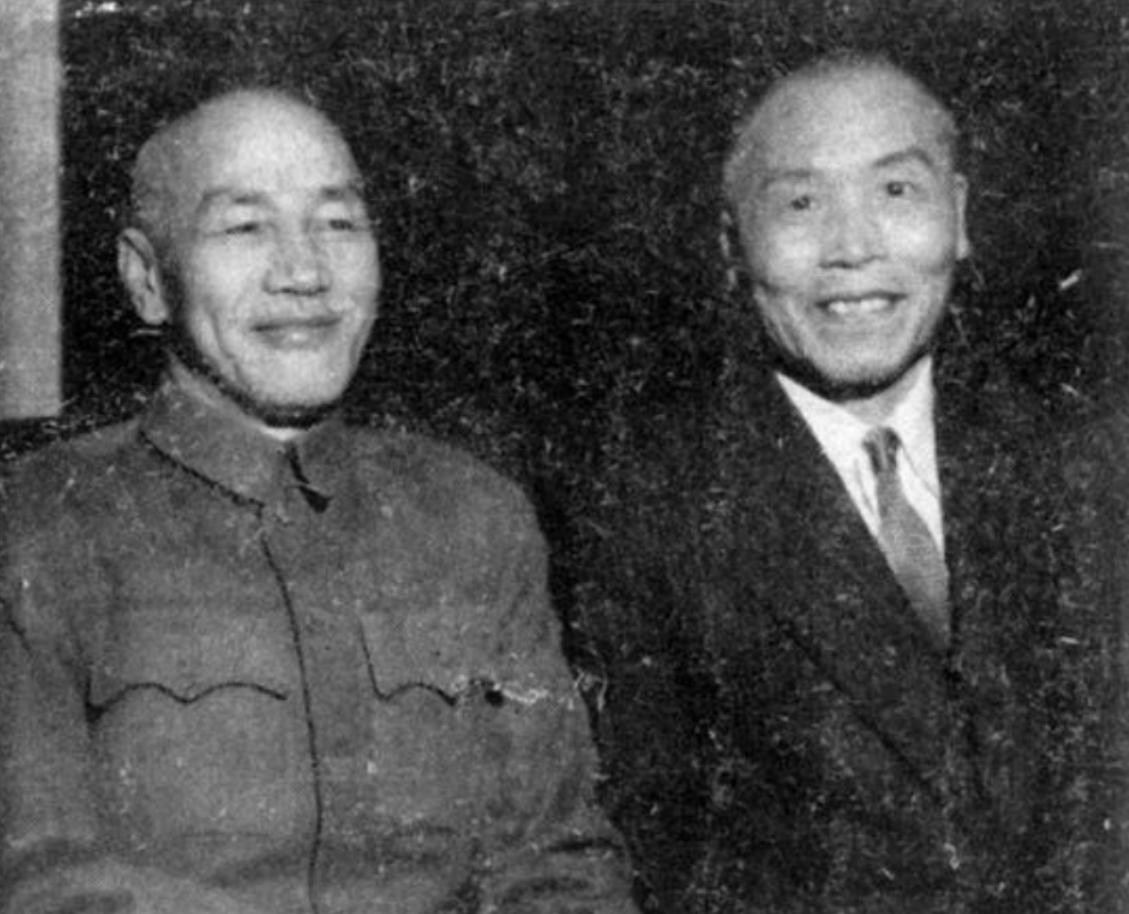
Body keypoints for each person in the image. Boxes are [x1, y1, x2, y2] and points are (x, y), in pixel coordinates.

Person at [0, 87, 638, 914]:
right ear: (148, 279)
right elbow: (39, 878)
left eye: (338, 223)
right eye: (245, 227)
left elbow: (556, 865)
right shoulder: (38, 523)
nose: (304, 272)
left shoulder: (473, 518)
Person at [574, 51, 1103, 912]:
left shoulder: (1081, 462)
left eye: (895, 191)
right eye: (800, 204)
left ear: (959, 216)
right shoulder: (645, 517)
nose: (853, 248)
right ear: (731, 244)